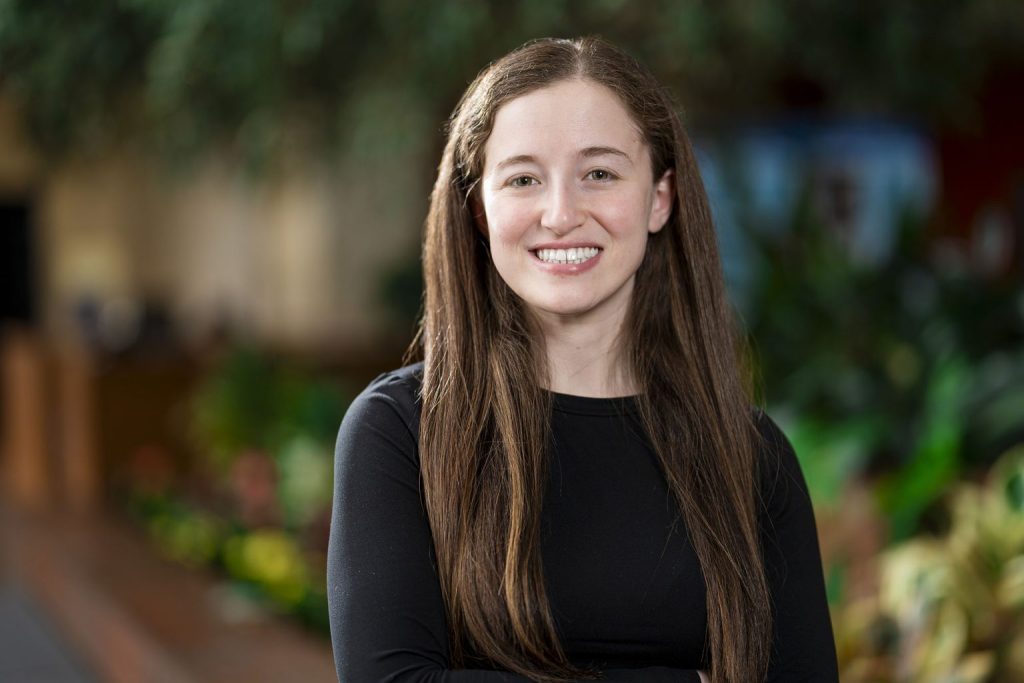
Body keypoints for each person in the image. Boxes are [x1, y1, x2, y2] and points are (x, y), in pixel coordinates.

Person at [327, 36, 839, 683]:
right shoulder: (399, 431)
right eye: (523, 178)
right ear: (479, 210)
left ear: (660, 197)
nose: (562, 213)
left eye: (599, 172)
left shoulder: (750, 455)